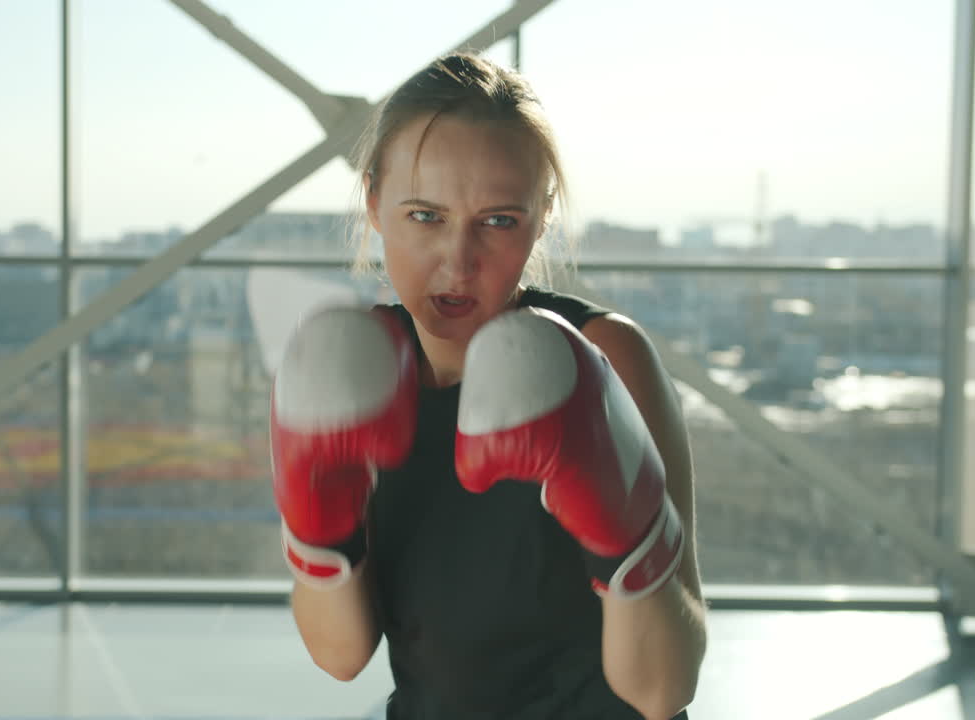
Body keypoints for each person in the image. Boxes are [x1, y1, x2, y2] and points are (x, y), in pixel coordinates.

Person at [270, 52, 706, 720]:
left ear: (541, 218)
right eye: (425, 216)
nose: (458, 260)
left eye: (498, 220)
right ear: (375, 204)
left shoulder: (608, 354)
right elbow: (340, 655)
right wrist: (316, 526)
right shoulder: (352, 370)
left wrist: (629, 536)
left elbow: (662, 691)